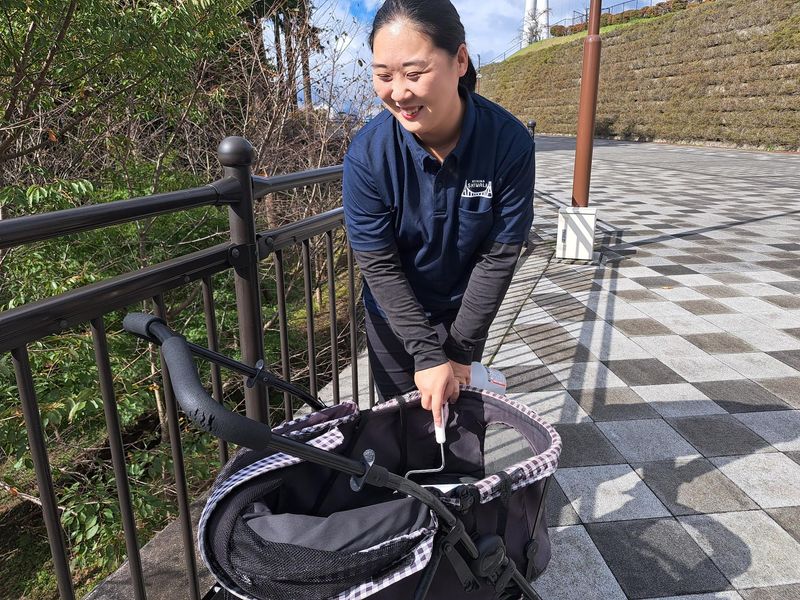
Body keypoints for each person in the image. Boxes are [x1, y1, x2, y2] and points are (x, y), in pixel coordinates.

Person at [342, 0, 535, 429]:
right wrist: (427, 355)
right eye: (384, 76)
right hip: (393, 317)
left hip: (465, 312)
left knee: (459, 428)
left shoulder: (508, 143)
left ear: (459, 60)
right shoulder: (368, 155)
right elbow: (378, 263)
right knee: (405, 430)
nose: (398, 93)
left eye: (414, 74)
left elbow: (499, 254)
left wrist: (458, 350)